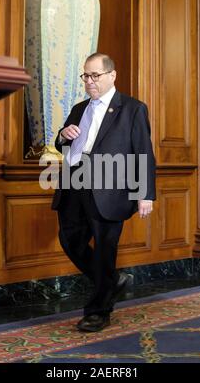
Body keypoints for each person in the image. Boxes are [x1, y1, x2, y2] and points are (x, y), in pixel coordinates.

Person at [52, 53, 156, 332]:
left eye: (94, 75)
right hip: (74, 183)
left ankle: (98, 311)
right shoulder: (78, 108)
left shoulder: (133, 109)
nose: (89, 81)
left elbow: (143, 153)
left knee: (104, 250)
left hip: (110, 190)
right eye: (85, 75)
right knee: (70, 239)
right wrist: (63, 135)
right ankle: (112, 281)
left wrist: (145, 193)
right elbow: (62, 145)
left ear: (112, 75)